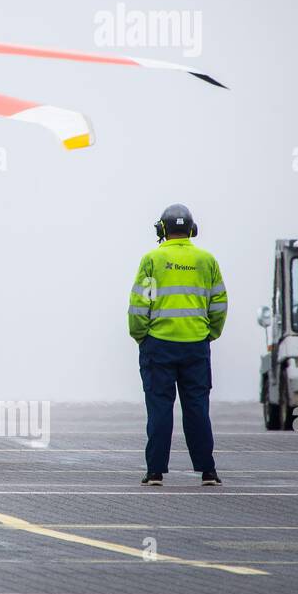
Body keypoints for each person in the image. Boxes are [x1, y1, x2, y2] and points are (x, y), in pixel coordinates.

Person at [127, 204, 227, 486]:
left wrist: (140, 336)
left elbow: (139, 304)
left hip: (158, 345)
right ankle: (208, 471)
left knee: (159, 408)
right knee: (197, 408)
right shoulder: (207, 260)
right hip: (196, 345)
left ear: (162, 229)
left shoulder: (152, 259)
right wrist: (211, 333)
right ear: (192, 229)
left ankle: (155, 472)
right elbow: (219, 303)